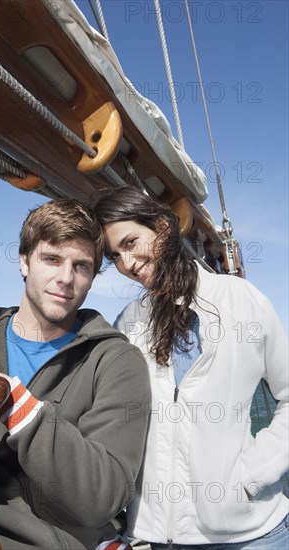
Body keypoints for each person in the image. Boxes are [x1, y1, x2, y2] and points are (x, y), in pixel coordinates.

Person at [0, 198, 151, 550]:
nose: (65, 278)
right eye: (52, 259)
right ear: (24, 261)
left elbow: (103, 498)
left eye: (82, 266)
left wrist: (17, 406)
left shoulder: (117, 363)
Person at [92, 186, 289, 549]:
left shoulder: (240, 300)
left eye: (132, 242)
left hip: (255, 534)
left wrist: (253, 475)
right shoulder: (130, 321)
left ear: (163, 228)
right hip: (165, 540)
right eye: (115, 255)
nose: (127, 263)